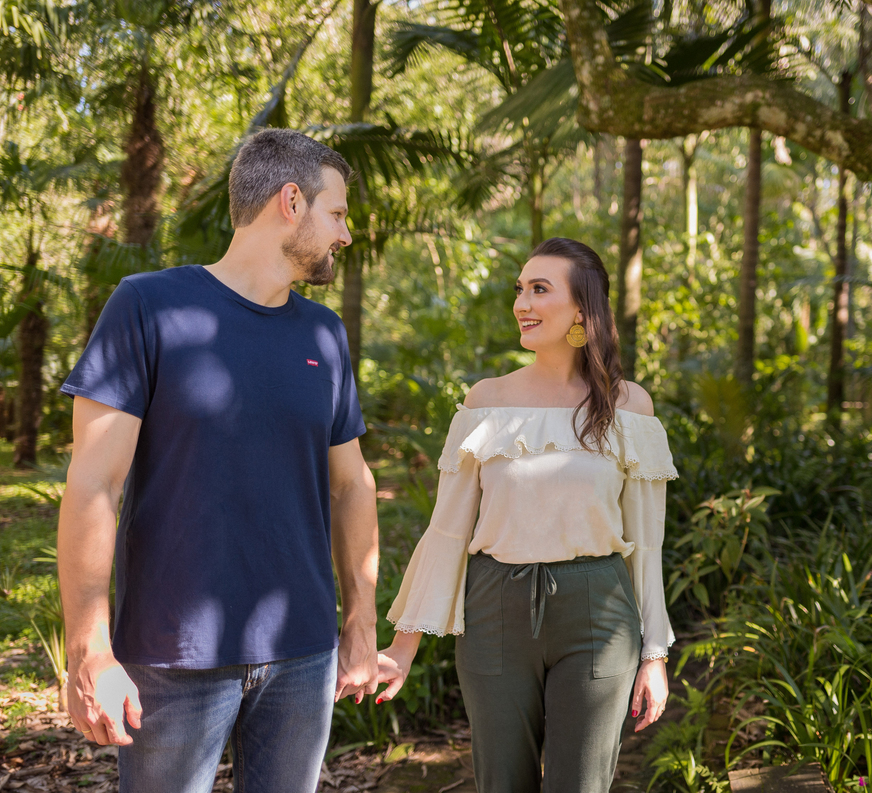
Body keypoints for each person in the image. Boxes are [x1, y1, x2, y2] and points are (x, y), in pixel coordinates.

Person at [57, 128, 380, 793]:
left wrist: (360, 622)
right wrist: (90, 648)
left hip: (302, 656)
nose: (345, 235)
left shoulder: (325, 334)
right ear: (291, 200)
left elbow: (352, 485)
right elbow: (93, 483)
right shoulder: (148, 306)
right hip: (174, 657)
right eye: (338, 213)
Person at [375, 237, 675, 792]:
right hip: (494, 611)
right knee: (502, 783)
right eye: (520, 289)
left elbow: (648, 541)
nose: (522, 303)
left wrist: (654, 655)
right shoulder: (487, 400)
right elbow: (447, 529)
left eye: (540, 289)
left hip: (598, 612)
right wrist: (402, 646)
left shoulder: (629, 406)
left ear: (583, 311)